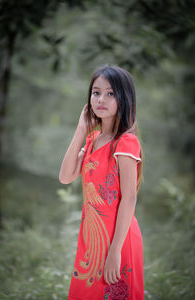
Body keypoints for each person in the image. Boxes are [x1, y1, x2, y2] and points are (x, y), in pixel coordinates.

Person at [59, 64, 144, 300]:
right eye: (96, 92)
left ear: (124, 98)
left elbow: (129, 198)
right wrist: (80, 131)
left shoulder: (125, 142)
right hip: (92, 238)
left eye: (110, 93)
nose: (101, 99)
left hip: (119, 239)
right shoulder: (93, 139)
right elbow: (65, 176)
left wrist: (115, 250)